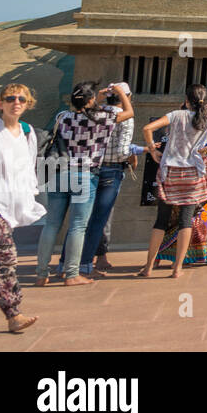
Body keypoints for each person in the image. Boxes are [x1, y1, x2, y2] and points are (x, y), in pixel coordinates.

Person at [35, 82, 134, 287]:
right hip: (84, 175)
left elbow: (83, 106)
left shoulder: (62, 117)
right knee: (78, 226)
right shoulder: (102, 119)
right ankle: (72, 274)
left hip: (59, 174)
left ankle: (41, 273)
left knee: (52, 224)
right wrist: (117, 93)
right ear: (90, 100)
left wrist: (93, 97)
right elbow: (129, 112)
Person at [138, 84, 207, 279]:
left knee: (161, 220)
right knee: (186, 221)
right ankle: (177, 268)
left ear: (186, 100)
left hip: (170, 173)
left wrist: (152, 149)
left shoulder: (175, 115)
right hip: (194, 174)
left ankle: (148, 267)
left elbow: (147, 128)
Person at [0, 84, 46, 332]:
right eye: (10, 98)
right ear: (0, 104)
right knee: (6, 255)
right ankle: (14, 314)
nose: (16, 102)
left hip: (10, 206)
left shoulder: (27, 132)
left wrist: (30, 193)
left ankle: (12, 316)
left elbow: (29, 165)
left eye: (22, 98)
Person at [79, 81, 143, 278]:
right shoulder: (123, 116)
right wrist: (132, 154)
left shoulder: (92, 113)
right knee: (101, 218)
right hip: (110, 169)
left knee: (80, 219)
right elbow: (122, 151)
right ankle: (90, 262)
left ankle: (70, 263)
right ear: (128, 97)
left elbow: (82, 109)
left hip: (87, 168)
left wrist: (99, 97)